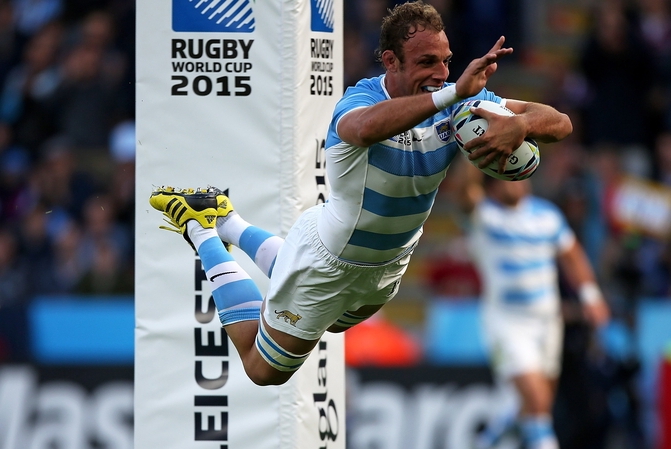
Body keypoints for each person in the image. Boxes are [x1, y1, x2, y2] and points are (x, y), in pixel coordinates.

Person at [149, 0, 573, 386]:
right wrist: (454, 93)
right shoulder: (362, 99)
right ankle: (204, 228)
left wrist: (520, 124)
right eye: (427, 62)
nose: (442, 73)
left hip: (389, 266)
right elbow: (365, 129)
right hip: (329, 261)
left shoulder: (459, 104)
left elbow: (561, 123)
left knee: (333, 324)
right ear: (390, 61)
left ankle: (229, 221)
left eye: (446, 61)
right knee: (264, 370)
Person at [458, 174, 610, 449]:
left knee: (538, 407)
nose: (518, 182)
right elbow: (464, 190)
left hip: (548, 323)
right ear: (493, 186)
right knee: (536, 402)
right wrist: (469, 151)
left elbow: (571, 254)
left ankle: (488, 440)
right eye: (509, 176)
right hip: (507, 322)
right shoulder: (484, 216)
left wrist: (591, 295)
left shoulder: (547, 216)